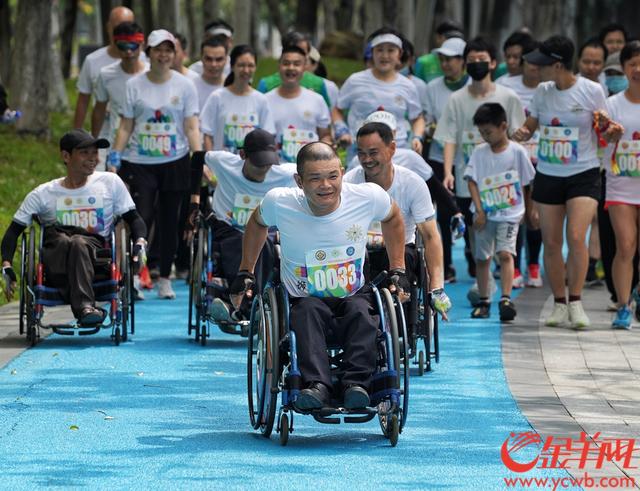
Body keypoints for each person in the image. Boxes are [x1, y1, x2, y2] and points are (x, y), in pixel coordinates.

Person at [230, 142, 409, 410]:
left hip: (351, 293)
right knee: (306, 313)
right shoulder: (281, 201)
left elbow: (393, 217)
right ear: (299, 181)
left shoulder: (367, 196)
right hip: (305, 299)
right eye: (315, 178)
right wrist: (246, 270)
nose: (326, 185)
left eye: (332, 176)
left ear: (342, 172)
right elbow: (256, 223)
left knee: (363, 312)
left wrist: (398, 268)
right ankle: (318, 386)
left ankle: (356, 385)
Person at [514, 35, 623, 328]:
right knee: (551, 242)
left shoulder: (591, 90)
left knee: (576, 237)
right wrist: (522, 133)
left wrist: (611, 131)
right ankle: (559, 303)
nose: (537, 69)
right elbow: (531, 125)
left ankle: (576, 302)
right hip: (549, 174)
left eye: (543, 64)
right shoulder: (542, 92)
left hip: (584, 173)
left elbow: (605, 126)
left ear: (558, 65)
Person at [0, 129, 147, 324]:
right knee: (65, 239)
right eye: (84, 153)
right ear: (66, 156)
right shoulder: (43, 193)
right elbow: (13, 231)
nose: (92, 158)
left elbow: (134, 219)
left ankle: (85, 307)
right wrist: (7, 266)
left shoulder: (110, 183)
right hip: (57, 259)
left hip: (95, 257)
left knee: (78, 242)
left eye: (95, 153)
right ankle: (84, 306)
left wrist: (139, 242)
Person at [108, 29, 201, 300]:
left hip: (175, 160)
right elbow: (126, 125)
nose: (164, 55)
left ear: (175, 53)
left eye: (168, 50)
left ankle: (164, 278)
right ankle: (136, 275)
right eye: (158, 50)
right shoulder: (134, 85)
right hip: (139, 162)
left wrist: (200, 158)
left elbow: (191, 126)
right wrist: (115, 156)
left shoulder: (185, 85)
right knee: (141, 217)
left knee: (171, 221)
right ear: (148, 53)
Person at [434, 36, 525, 283]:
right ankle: (483, 279)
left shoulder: (508, 97)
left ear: (493, 63)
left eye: (481, 60)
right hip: (470, 177)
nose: (476, 64)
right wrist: (448, 171)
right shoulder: (457, 100)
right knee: (476, 228)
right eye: (471, 60)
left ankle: (504, 269)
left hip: (502, 179)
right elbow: (450, 137)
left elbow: (518, 135)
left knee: (504, 227)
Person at [344, 122, 452, 319]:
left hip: (401, 253)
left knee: (404, 258)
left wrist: (436, 287)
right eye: (361, 153)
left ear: (392, 148)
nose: (367, 160)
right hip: (359, 253)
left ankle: (401, 313)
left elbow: (430, 236)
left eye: (373, 152)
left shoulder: (412, 183)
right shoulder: (348, 182)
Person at [188, 129, 297, 322]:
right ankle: (246, 307)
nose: (264, 169)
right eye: (258, 163)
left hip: (267, 231)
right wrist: (194, 203)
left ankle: (244, 306)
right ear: (242, 155)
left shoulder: (286, 173)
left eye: (268, 163)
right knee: (239, 241)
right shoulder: (224, 162)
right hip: (227, 227)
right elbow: (197, 158)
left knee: (261, 242)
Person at [464, 103, 535, 320]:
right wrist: (479, 210)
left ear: (503, 126)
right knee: (483, 258)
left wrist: (530, 211)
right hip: (485, 214)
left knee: (505, 253)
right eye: (482, 132)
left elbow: (527, 183)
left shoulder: (518, 152)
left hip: (510, 213)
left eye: (489, 132)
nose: (485, 137)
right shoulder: (479, 152)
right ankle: (485, 300)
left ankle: (505, 298)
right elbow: (472, 181)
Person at [496, 38, 544, 288]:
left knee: (534, 216)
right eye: (530, 62)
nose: (535, 67)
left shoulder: (548, 88)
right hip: (512, 161)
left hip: (543, 160)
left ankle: (534, 265)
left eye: (540, 63)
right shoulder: (505, 86)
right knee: (513, 215)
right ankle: (511, 267)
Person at [334, 27, 424, 156]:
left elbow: (417, 118)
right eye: (379, 50)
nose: (385, 56)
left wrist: (417, 137)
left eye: (391, 50)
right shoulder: (355, 81)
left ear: (399, 53)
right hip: (360, 152)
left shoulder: (408, 86)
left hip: (397, 151)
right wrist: (342, 130)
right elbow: (337, 109)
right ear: (372, 52)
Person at [424, 36, 469, 283]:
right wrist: (435, 131)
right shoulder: (432, 88)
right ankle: (447, 264)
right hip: (439, 156)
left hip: (469, 156)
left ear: (462, 61)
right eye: (442, 59)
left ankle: (474, 257)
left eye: (451, 59)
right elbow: (428, 120)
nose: (446, 64)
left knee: (468, 207)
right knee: (443, 211)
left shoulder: (472, 85)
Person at [604, 40, 640, 329]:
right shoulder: (612, 104)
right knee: (626, 246)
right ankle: (623, 305)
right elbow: (599, 139)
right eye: (633, 64)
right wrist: (609, 136)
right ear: (625, 68)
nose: (638, 69)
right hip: (620, 186)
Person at [73, 6, 138, 164]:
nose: (123, 32)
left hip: (136, 133)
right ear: (109, 27)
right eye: (118, 27)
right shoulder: (93, 61)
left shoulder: (146, 62)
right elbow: (83, 99)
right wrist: (76, 137)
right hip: (104, 130)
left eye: (128, 26)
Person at [200, 45, 274, 153]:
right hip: (221, 165)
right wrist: (210, 162)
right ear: (232, 66)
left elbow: (267, 137)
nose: (246, 70)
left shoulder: (261, 100)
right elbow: (207, 135)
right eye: (241, 65)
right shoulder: (217, 97)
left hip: (251, 167)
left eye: (250, 65)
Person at [265, 46, 332, 163]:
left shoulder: (317, 100)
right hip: (274, 170)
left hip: (308, 171)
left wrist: (327, 144)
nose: (291, 68)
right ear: (279, 66)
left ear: (304, 67)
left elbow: (324, 135)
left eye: (296, 64)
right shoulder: (265, 101)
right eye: (286, 63)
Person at [92, 22, 148, 146]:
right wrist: (94, 143)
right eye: (123, 46)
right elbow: (99, 110)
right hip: (117, 147)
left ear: (142, 45)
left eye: (133, 46)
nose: (128, 51)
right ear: (115, 46)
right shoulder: (106, 75)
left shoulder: (151, 74)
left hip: (146, 147)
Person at [257, 31, 332, 107]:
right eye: (293, 51)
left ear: (307, 56)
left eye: (301, 52)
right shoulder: (266, 84)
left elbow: (327, 114)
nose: (296, 56)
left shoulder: (318, 84)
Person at [190, 36, 227, 112]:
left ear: (226, 60)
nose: (213, 64)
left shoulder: (233, 87)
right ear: (201, 59)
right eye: (209, 59)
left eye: (219, 59)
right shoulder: (190, 87)